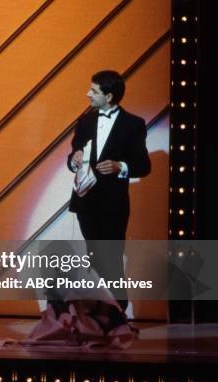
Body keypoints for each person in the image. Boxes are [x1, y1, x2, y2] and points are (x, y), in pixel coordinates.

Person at [67, 70, 151, 312]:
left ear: (110, 96)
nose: (88, 94)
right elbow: (72, 157)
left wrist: (120, 166)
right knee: (94, 258)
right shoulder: (85, 121)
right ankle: (102, 315)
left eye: (93, 91)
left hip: (113, 205)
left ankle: (118, 311)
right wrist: (75, 159)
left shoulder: (133, 124)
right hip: (86, 202)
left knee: (111, 258)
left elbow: (144, 165)